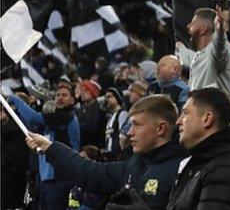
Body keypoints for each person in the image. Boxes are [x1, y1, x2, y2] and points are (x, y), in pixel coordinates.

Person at [25, 95, 186, 209]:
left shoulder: (185, 170)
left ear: (160, 128)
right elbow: (89, 172)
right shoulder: (134, 163)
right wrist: (51, 148)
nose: (129, 132)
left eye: (136, 125)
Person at [167, 87, 230, 209]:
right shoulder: (205, 162)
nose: (178, 121)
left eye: (185, 113)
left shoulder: (226, 170)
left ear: (207, 119)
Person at [8, 81, 80, 210]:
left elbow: (33, 117)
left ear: (73, 100)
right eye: (57, 95)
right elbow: (30, 128)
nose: (60, 98)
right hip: (45, 180)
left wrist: (14, 99)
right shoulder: (51, 123)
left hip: (61, 180)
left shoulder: (67, 116)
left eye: (64, 95)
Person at [176, 8, 230, 97]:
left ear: (203, 28)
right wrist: (180, 47)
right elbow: (190, 58)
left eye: (193, 23)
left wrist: (220, 32)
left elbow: (219, 50)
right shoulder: (201, 54)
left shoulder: (220, 49)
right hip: (198, 108)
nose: (188, 26)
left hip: (214, 110)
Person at [77, 80, 107, 148]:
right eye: (81, 90)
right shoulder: (80, 110)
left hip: (92, 147)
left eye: (85, 90)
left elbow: (91, 130)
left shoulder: (99, 111)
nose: (82, 93)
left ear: (93, 92)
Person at [102, 87, 129, 160]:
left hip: (118, 157)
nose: (106, 99)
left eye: (109, 96)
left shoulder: (122, 114)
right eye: (106, 97)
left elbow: (123, 137)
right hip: (110, 158)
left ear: (117, 98)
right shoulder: (110, 119)